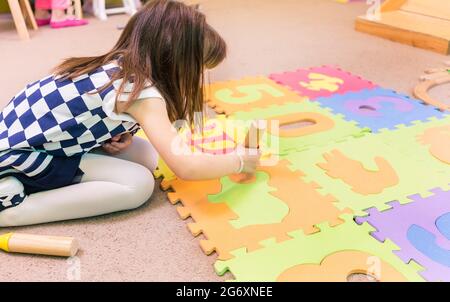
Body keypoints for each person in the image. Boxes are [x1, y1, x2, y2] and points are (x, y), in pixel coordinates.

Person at [0, 0, 259, 227]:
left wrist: (114, 132)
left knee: (146, 155)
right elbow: (187, 166)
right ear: (175, 60)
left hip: (24, 137)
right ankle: (15, 211)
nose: (198, 77)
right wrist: (240, 161)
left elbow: (78, 114)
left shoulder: (122, 66)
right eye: (198, 68)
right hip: (19, 156)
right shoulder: (143, 94)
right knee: (137, 185)